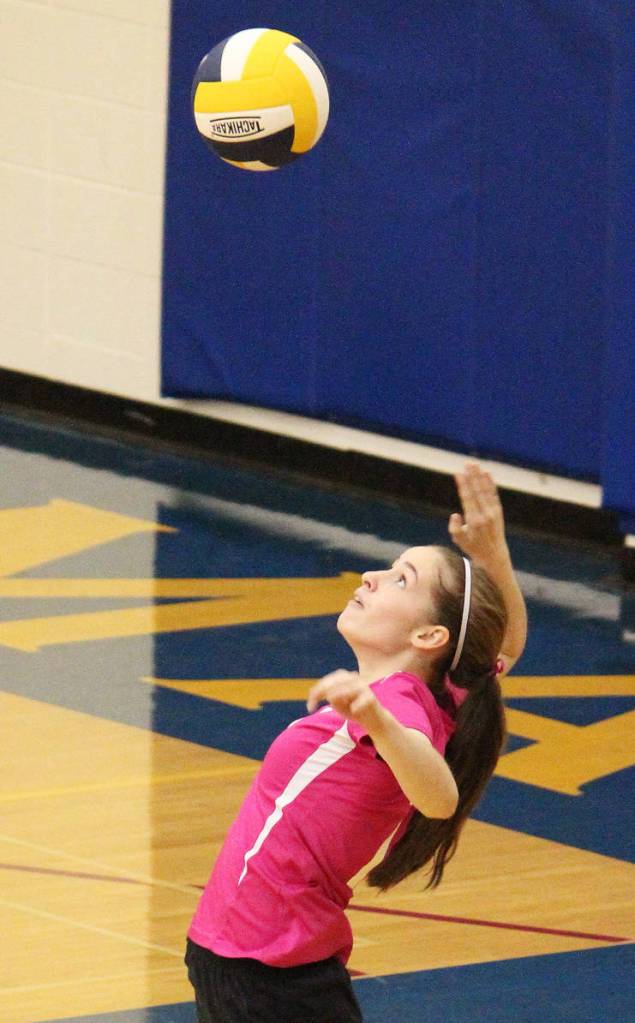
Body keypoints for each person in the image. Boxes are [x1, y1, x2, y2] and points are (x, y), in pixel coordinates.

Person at [185, 462, 528, 1022]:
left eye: (401, 580)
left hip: (261, 960)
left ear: (428, 636)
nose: (372, 575)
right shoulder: (444, 692)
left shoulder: (394, 702)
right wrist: (493, 557)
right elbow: (501, 648)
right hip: (271, 956)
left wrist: (375, 717)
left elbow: (437, 798)